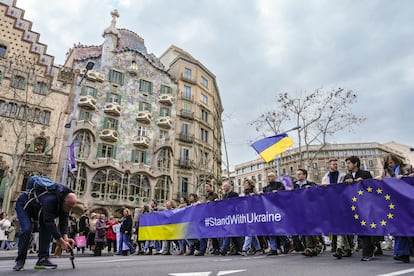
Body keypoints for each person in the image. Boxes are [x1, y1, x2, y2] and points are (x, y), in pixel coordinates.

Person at [13, 178, 77, 271]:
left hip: (40, 210)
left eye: (72, 207)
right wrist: (60, 241)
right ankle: (20, 261)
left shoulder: (66, 204)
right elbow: (49, 222)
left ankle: (42, 259)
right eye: (68, 206)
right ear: (64, 201)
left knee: (46, 230)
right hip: (24, 206)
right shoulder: (50, 200)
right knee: (27, 229)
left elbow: (64, 222)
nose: (69, 209)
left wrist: (65, 237)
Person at [376, 154, 414, 263]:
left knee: (408, 227)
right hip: (394, 203)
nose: (390, 164)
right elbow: (382, 181)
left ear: (396, 160)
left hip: (409, 201)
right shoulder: (386, 172)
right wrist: (379, 179)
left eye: (391, 162)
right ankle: (401, 253)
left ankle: (403, 252)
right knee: (400, 227)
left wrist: (407, 177)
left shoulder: (407, 167)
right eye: (388, 162)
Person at [343, 156, 374, 261]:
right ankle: (370, 248)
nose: (347, 165)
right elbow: (342, 190)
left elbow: (373, 187)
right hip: (353, 207)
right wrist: (346, 183)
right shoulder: (346, 176)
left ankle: (367, 253)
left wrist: (364, 182)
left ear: (355, 163)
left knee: (365, 229)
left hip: (365, 206)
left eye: (349, 163)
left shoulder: (365, 174)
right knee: (359, 230)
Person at [321, 159, 352, 259]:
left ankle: (339, 248)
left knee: (339, 225)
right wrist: (323, 187)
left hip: (341, 203)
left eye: (336, 164)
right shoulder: (325, 177)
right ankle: (347, 248)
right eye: (334, 164)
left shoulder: (342, 175)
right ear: (329, 165)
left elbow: (348, 180)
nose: (336, 166)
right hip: (331, 205)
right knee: (340, 226)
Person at [262, 172, 286, 256]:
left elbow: (284, 193)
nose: (269, 178)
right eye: (268, 176)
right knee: (271, 230)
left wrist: (278, 192)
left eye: (271, 176)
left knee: (279, 229)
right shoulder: (266, 188)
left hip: (278, 210)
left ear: (274, 177)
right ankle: (273, 248)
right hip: (269, 211)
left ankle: (286, 243)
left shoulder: (279, 185)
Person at [219, 182, 242, 256]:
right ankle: (238, 249)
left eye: (225, 186)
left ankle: (224, 249)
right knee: (233, 234)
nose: (224, 188)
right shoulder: (224, 196)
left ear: (229, 186)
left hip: (233, 215)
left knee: (228, 233)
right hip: (226, 216)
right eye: (223, 187)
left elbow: (237, 203)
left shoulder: (234, 194)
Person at [241, 179, 263, 256]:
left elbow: (258, 201)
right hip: (247, 213)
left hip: (254, 214)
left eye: (246, 183)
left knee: (249, 231)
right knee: (252, 232)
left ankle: (244, 249)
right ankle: (258, 249)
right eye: (244, 184)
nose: (245, 185)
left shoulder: (254, 193)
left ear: (250, 184)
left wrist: (255, 196)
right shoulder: (245, 193)